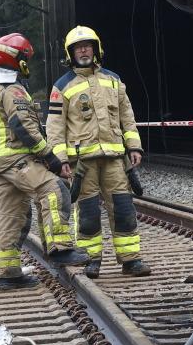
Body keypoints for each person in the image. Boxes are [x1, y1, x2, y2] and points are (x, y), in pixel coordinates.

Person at [46, 25, 149, 277]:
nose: (83, 50)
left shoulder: (113, 80)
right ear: (70, 53)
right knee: (88, 213)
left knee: (124, 208)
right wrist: (61, 161)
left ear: (96, 49)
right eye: (78, 47)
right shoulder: (62, 87)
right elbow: (55, 127)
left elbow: (127, 116)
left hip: (115, 159)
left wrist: (134, 146)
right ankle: (92, 260)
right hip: (83, 163)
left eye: (87, 46)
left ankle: (130, 259)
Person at [0, 33, 65, 288]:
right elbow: (14, 125)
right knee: (5, 213)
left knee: (5, 214)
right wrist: (45, 155)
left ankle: (2, 269)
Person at [0, 31, 78, 262]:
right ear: (17, 60)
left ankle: (6, 271)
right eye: (25, 59)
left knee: (11, 214)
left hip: (0, 162)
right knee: (54, 188)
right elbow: (23, 125)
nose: (26, 64)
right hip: (16, 158)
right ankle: (60, 248)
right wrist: (50, 157)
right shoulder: (12, 89)